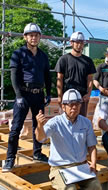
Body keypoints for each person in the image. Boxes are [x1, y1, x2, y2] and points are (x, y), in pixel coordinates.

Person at [2, 23, 51, 172]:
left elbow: (47, 76)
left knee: (38, 125)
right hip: (23, 94)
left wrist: (48, 93)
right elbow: (14, 76)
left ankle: (37, 153)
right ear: (25, 37)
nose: (34, 38)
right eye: (31, 35)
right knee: (16, 127)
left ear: (39, 37)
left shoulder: (43, 55)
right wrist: (18, 96)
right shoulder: (18, 53)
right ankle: (10, 158)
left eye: (36, 35)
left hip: (38, 95)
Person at [35, 89, 101, 190]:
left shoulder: (86, 123)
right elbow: (40, 138)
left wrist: (93, 163)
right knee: (70, 189)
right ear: (63, 106)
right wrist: (39, 125)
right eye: (70, 104)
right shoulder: (55, 123)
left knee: (95, 186)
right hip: (60, 168)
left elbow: (92, 146)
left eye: (77, 104)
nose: (74, 107)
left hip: (81, 166)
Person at [55, 31, 96, 116]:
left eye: (81, 42)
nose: (79, 45)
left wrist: (88, 94)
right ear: (71, 43)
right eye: (77, 42)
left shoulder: (88, 61)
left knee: (81, 122)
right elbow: (59, 79)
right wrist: (60, 96)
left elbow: (90, 79)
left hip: (82, 96)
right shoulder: (63, 59)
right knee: (65, 123)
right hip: (67, 95)